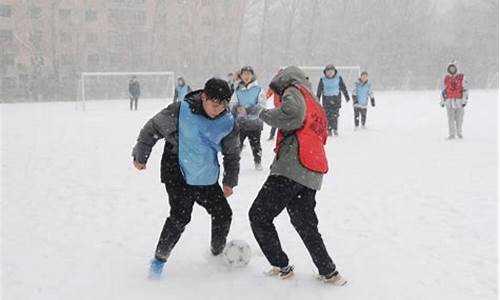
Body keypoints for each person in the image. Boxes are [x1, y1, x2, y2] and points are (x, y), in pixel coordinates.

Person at [132, 78, 240, 279]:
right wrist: (141, 155)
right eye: (215, 105)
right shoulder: (180, 111)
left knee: (223, 213)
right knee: (180, 217)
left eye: (223, 106)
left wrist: (229, 180)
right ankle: (158, 261)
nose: (218, 110)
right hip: (176, 172)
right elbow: (151, 129)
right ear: (204, 97)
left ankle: (216, 252)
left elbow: (232, 153)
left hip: (205, 174)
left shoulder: (227, 121)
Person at [249, 66, 346, 286]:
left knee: (259, 215)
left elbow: (291, 115)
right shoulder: (314, 102)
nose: (279, 95)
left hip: (292, 166)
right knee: (305, 223)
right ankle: (330, 273)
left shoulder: (293, 89)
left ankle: (282, 266)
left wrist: (261, 113)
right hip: (313, 169)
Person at [230, 66, 266, 170]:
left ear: (252, 75)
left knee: (256, 145)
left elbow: (262, 105)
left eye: (248, 74)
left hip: (254, 123)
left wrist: (249, 110)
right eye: (244, 74)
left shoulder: (259, 90)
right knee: (237, 145)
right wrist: (236, 108)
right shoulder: (238, 90)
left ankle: (257, 162)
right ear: (240, 76)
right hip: (240, 123)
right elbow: (232, 104)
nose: (246, 76)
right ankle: (233, 165)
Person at [316, 64, 350, 136]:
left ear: (335, 72)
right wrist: (317, 98)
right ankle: (329, 129)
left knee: (335, 115)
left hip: (336, 99)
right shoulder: (322, 80)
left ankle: (335, 129)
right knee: (327, 115)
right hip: (326, 99)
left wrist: (346, 96)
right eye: (328, 71)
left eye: (332, 71)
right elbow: (319, 90)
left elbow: (343, 88)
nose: (330, 73)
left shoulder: (338, 78)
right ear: (325, 72)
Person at [440, 61, 468, 139]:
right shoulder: (446, 78)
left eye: (453, 68)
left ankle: (459, 133)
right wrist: (442, 101)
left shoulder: (462, 77)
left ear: (456, 68)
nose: (452, 69)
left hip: (459, 102)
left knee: (459, 120)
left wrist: (464, 101)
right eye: (450, 68)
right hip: (449, 102)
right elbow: (443, 91)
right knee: (450, 120)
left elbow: (465, 89)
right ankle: (451, 135)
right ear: (448, 69)